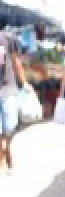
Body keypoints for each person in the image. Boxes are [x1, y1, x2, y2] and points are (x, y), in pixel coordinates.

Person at [0, 23, 33, 171]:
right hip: (9, 89)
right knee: (6, 127)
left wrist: (24, 82)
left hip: (8, 88)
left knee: (9, 126)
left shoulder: (7, 39)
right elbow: (16, 62)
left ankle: (6, 148)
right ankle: (4, 153)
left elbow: (16, 62)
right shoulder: (8, 38)